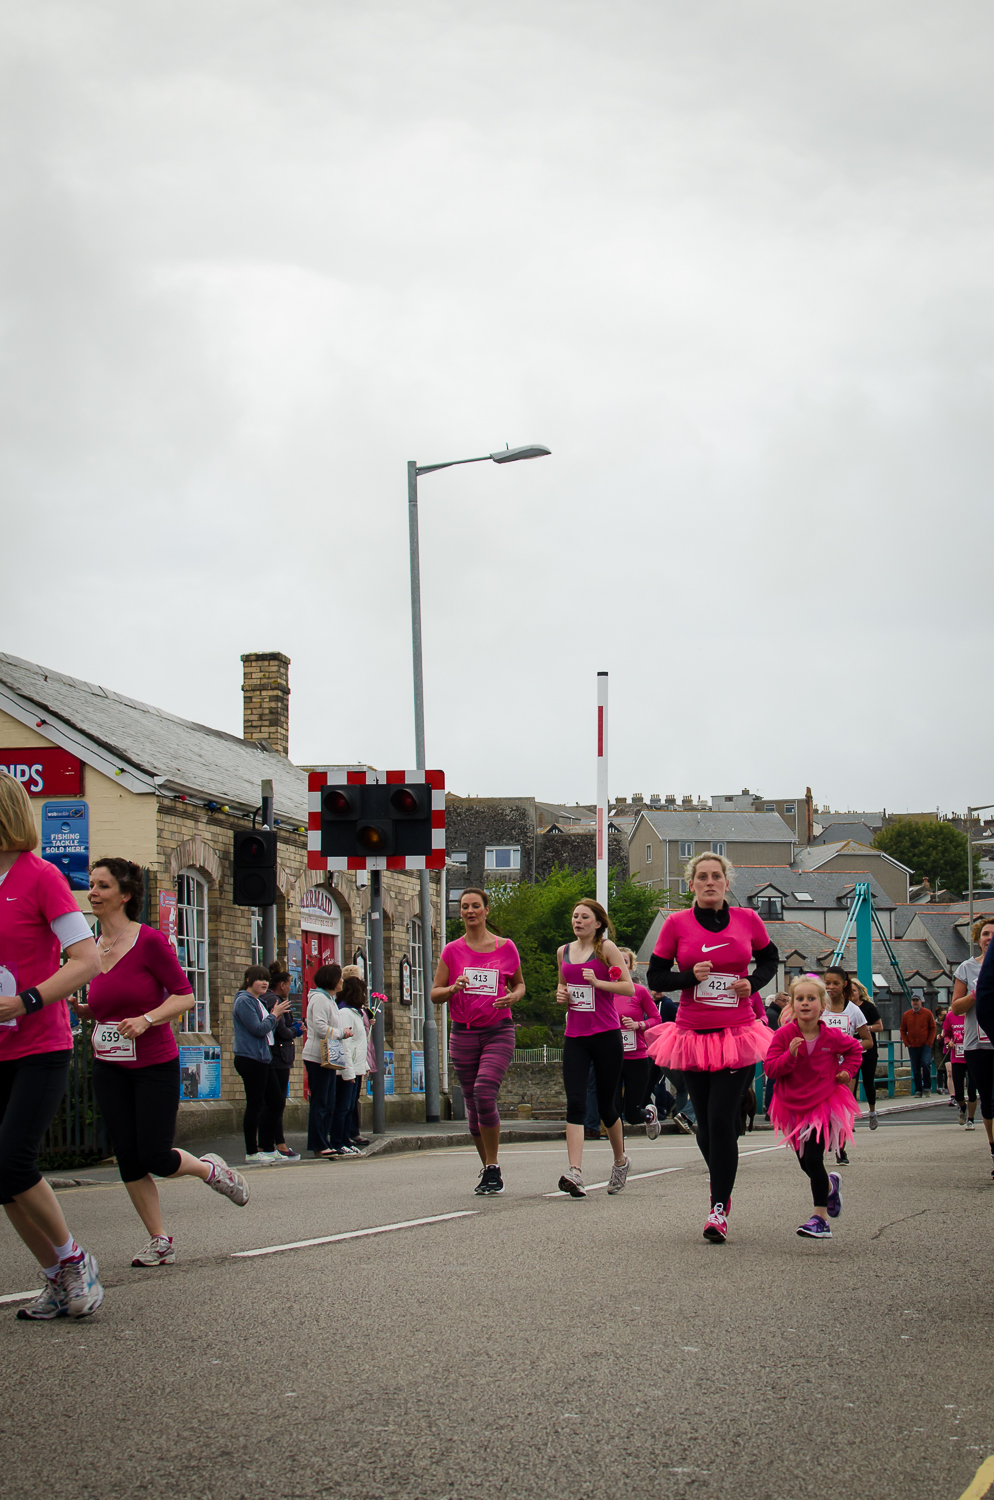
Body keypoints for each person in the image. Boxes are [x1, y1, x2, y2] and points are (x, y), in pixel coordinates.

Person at [80, 859, 249, 1266]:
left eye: (103, 885)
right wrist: (85, 1010)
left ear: (125, 895)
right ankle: (160, 1240)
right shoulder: (89, 947)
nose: (93, 892)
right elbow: (108, 1003)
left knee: (155, 1155)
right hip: (109, 1063)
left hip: (153, 1063)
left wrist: (147, 1019)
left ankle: (211, 1171)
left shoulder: (150, 941)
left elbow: (184, 995)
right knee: (128, 1156)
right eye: (91, 884)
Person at [0, 771, 103, 1320]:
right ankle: (54, 1277)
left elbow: (86, 960)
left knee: (13, 1159)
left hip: (38, 1042)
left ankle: (74, 1260)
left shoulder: (41, 878)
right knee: (1, 1177)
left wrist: (27, 1002)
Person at [646, 853, 778, 1243]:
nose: (709, 882)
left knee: (721, 1120)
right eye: (701, 877)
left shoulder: (747, 920)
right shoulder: (676, 924)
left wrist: (752, 985)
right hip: (691, 1035)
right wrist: (688, 977)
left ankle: (718, 1207)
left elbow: (770, 958)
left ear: (725, 882)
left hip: (737, 1034)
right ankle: (722, 1173)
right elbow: (654, 975)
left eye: (716, 877)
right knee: (705, 1124)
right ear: (691, 884)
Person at [431, 888, 525, 1195]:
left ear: (486, 910)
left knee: (485, 1092)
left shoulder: (506, 947)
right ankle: (489, 1169)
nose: (470, 911)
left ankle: (493, 1164)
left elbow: (520, 984)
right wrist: (453, 988)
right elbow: (435, 993)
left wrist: (514, 996)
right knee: (472, 1103)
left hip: (498, 1029)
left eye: (475, 906)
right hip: (463, 1032)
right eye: (464, 907)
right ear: (460, 913)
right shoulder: (452, 951)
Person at [764, 974, 863, 1239]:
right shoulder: (784, 1035)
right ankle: (829, 1185)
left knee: (813, 1158)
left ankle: (820, 1219)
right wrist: (790, 1056)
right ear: (792, 1004)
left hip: (823, 1104)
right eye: (800, 999)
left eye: (811, 999)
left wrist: (846, 1071)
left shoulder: (831, 1036)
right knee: (804, 1163)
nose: (805, 1003)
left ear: (822, 1005)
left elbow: (854, 1050)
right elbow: (770, 1069)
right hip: (792, 1105)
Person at [555, 899, 634, 1198]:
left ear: (598, 923)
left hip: (606, 1034)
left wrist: (599, 983)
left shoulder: (607, 949)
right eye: (575, 916)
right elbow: (562, 987)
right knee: (575, 1102)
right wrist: (561, 995)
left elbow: (627, 987)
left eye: (585, 917)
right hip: (575, 1036)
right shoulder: (563, 951)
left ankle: (620, 1161)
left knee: (606, 1105)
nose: (578, 921)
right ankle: (575, 1172)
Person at [233, 965, 293, 1165]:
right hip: (250, 1058)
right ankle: (252, 1151)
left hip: (263, 1057)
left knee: (276, 1101)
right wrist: (274, 1015)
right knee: (255, 1104)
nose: (264, 983)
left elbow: (268, 1029)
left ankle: (267, 1146)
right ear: (249, 980)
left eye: (266, 979)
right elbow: (258, 1029)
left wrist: (274, 1016)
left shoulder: (257, 1001)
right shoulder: (244, 1001)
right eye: (260, 979)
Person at [951, 916, 994, 1176]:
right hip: (976, 1044)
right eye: (986, 934)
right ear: (978, 939)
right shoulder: (967, 968)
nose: (990, 938)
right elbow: (955, 1007)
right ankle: (993, 1147)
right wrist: (977, 994)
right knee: (988, 1101)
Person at [822, 968, 873, 1163]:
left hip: (846, 1067)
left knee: (842, 1109)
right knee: (823, 1106)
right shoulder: (820, 1008)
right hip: (822, 1065)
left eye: (835, 983)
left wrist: (850, 1045)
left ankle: (840, 1148)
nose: (830, 987)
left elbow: (868, 1041)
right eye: (827, 983)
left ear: (844, 984)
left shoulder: (853, 1010)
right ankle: (825, 1139)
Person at [614, 949, 663, 1138]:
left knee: (632, 1115)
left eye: (624, 962)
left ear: (630, 966)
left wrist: (638, 1024)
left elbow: (656, 1018)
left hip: (636, 1057)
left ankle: (649, 1115)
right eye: (615, 961)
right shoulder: (604, 991)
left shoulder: (639, 991)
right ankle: (619, 1153)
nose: (619, 965)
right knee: (613, 1109)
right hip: (612, 1058)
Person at [301, 963, 347, 1159]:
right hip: (316, 1056)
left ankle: (324, 1141)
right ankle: (318, 1143)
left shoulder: (329, 999)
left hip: (327, 1056)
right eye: (340, 978)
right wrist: (341, 1033)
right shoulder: (320, 999)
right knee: (320, 1101)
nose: (342, 981)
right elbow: (320, 1027)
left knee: (329, 1102)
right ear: (331, 980)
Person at [328, 974, 367, 1157]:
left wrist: (363, 1065)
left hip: (356, 1068)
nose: (365, 997)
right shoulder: (344, 1013)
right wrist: (349, 1071)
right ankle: (338, 1141)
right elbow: (345, 1044)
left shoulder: (354, 1012)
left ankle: (345, 1140)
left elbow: (359, 1042)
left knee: (350, 1106)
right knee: (342, 1107)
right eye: (363, 992)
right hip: (346, 1070)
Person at [838, 974, 883, 1130]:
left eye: (855, 990)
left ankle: (872, 1112)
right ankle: (849, 1118)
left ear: (860, 992)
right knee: (850, 1084)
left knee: (868, 1083)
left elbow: (880, 1026)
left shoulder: (868, 1008)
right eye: (850, 991)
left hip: (867, 1050)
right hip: (850, 1052)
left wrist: (864, 1028)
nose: (853, 993)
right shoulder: (844, 1007)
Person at [265, 963, 300, 1161]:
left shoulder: (271, 999)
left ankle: (272, 1143)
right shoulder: (277, 1001)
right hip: (278, 1057)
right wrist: (296, 1031)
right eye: (289, 984)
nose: (290, 987)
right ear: (281, 984)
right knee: (276, 1103)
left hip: (275, 1056)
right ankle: (278, 1143)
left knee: (271, 1103)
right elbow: (281, 1030)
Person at [942, 1005, 977, 1128]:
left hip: (973, 1056)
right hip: (957, 1058)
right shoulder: (950, 1016)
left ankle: (971, 1120)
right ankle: (963, 1108)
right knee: (958, 1094)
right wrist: (948, 1042)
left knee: (972, 1091)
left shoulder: (974, 1014)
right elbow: (946, 1034)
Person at [899, 994, 936, 1100]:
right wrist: (906, 1042)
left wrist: (929, 1042)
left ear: (921, 1002)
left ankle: (927, 1087)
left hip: (925, 1045)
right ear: (911, 1002)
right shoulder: (907, 1015)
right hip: (913, 1045)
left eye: (917, 1000)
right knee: (915, 1068)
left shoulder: (927, 1013)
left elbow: (933, 1028)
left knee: (926, 1064)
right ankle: (918, 1090)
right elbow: (902, 1029)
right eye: (913, 1001)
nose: (915, 1002)